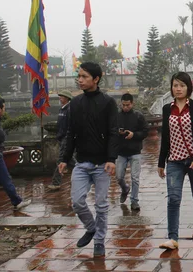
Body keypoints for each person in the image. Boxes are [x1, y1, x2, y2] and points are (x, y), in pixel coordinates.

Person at [58, 62, 119, 257]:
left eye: (84, 76)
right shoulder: (75, 104)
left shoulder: (108, 103)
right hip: (82, 163)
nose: (80, 80)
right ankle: (91, 227)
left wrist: (111, 158)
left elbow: (113, 132)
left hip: (102, 164)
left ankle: (99, 241)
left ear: (96, 79)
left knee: (101, 205)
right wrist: (64, 159)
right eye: (79, 76)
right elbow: (71, 133)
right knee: (77, 202)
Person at [158, 72, 193, 251]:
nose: (178, 89)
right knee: (173, 198)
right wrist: (160, 162)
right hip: (174, 161)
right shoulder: (167, 109)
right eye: (175, 85)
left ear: (188, 88)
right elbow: (165, 137)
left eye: (181, 85)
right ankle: (173, 238)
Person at [116, 93, 148, 211]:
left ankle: (134, 200)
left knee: (135, 177)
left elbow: (145, 131)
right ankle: (125, 189)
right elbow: (112, 130)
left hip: (135, 151)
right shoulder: (117, 116)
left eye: (127, 105)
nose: (125, 107)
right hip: (121, 152)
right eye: (123, 105)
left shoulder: (138, 116)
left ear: (132, 103)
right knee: (119, 177)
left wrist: (134, 135)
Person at [48, 90, 73, 191]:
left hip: (66, 138)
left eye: (62, 97)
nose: (60, 98)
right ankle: (84, 171)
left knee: (60, 160)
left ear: (67, 98)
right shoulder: (62, 110)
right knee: (70, 160)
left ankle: (56, 183)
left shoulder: (69, 110)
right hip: (61, 137)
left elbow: (70, 125)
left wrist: (66, 136)